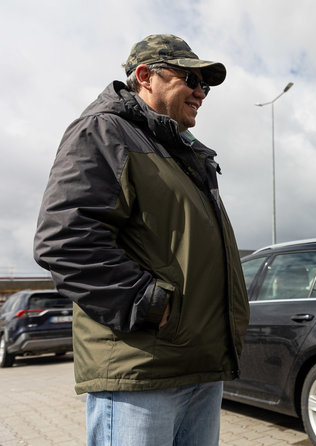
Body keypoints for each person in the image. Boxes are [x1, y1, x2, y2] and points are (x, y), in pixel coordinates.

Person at [33, 34, 250, 446]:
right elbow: (64, 238)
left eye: (206, 84)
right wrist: (147, 304)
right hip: (142, 372)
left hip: (198, 366)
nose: (201, 92)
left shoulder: (181, 151)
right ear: (146, 76)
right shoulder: (103, 132)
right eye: (190, 78)